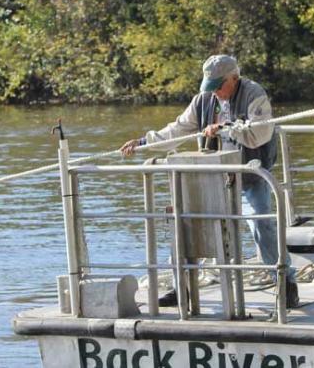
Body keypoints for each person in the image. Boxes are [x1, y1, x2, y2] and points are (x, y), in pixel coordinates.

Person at [120, 54, 298, 308]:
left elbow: (260, 133)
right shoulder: (203, 100)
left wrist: (225, 127)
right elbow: (179, 129)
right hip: (211, 176)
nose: (215, 93)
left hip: (250, 174)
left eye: (219, 86)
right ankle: (181, 287)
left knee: (263, 224)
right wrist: (144, 142)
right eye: (210, 87)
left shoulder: (254, 94)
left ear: (234, 78)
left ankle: (286, 283)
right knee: (184, 224)